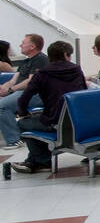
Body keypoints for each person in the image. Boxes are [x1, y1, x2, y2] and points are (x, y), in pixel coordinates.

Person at [9, 41, 86, 174]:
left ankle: (42, 160)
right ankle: (33, 161)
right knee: (38, 120)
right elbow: (84, 93)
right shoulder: (76, 69)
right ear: (66, 55)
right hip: (77, 119)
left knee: (23, 124)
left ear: (50, 56)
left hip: (54, 120)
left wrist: (23, 113)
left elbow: (23, 99)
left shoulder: (43, 74)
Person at [0, 34, 48, 148]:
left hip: (35, 94)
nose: (20, 45)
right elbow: (15, 78)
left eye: (23, 43)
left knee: (2, 106)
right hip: (21, 92)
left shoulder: (41, 59)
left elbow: (30, 82)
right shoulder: (26, 61)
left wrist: (10, 89)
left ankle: (14, 140)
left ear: (32, 46)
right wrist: (5, 87)